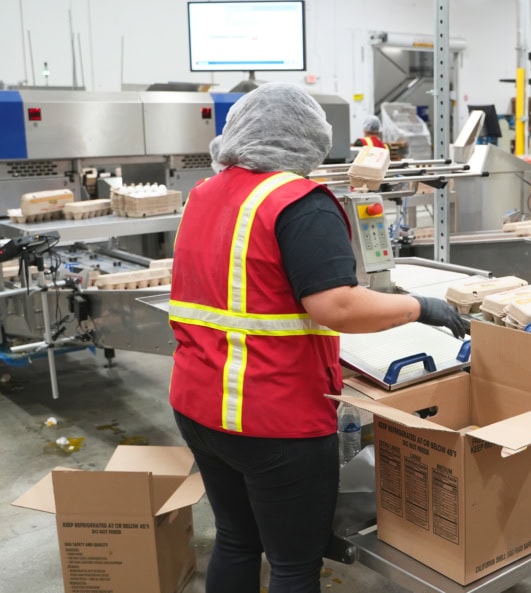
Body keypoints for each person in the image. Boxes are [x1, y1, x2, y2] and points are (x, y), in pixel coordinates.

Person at [168, 82, 467, 593]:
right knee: (293, 563)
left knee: (237, 539)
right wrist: (423, 306)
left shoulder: (206, 193)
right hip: (272, 417)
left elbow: (251, 295)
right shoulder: (299, 202)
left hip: (199, 406)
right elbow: (338, 305)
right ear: (307, 139)